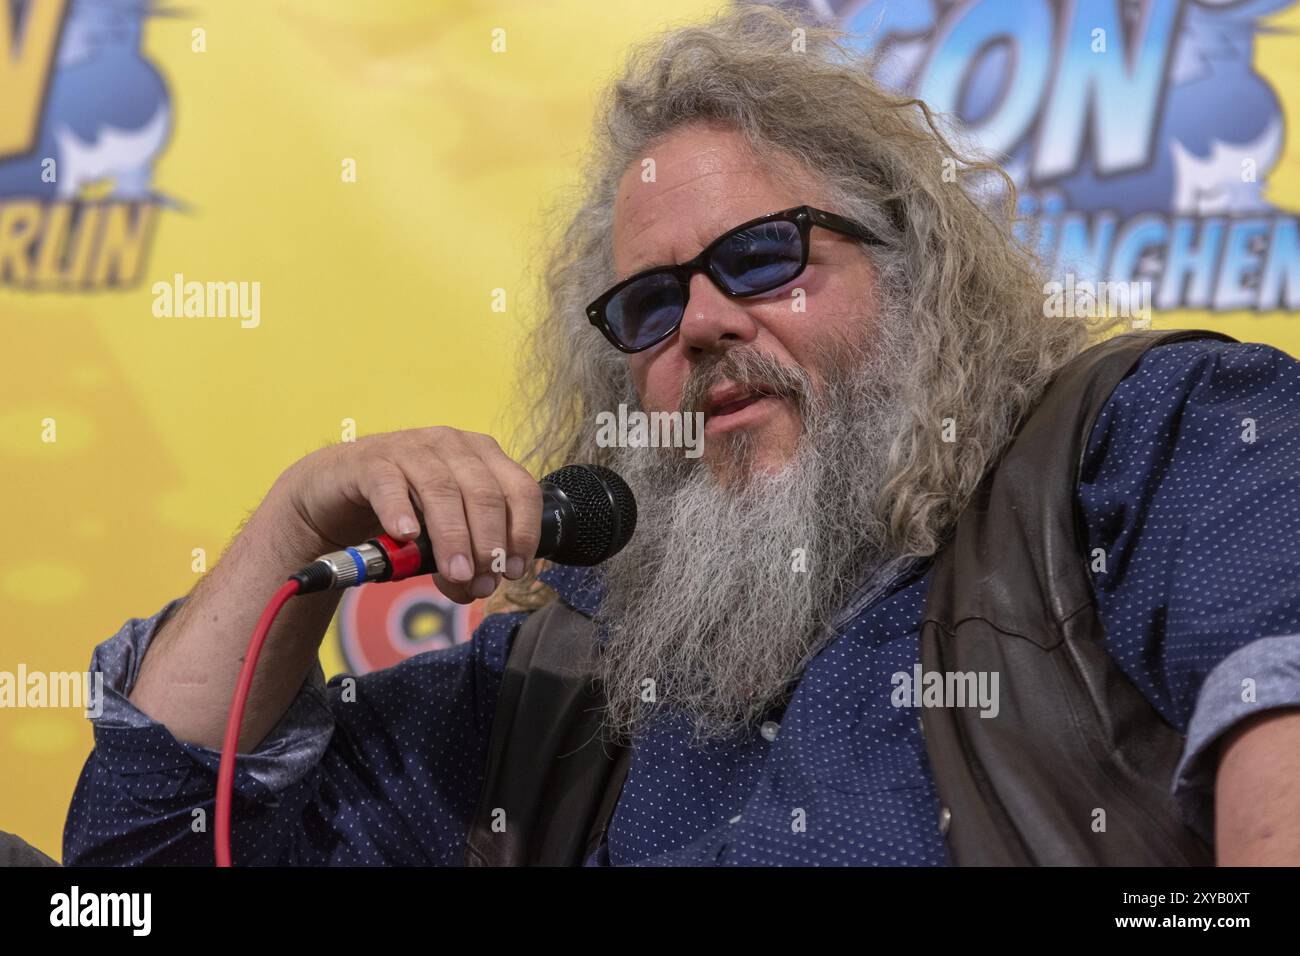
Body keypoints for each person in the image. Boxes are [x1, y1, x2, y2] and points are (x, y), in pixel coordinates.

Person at [64, 6, 1300, 866]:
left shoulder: (1139, 443)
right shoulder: (562, 676)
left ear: (917, 272)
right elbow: (136, 860)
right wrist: (297, 516)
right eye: (650, 305)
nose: (702, 322)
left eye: (762, 257)